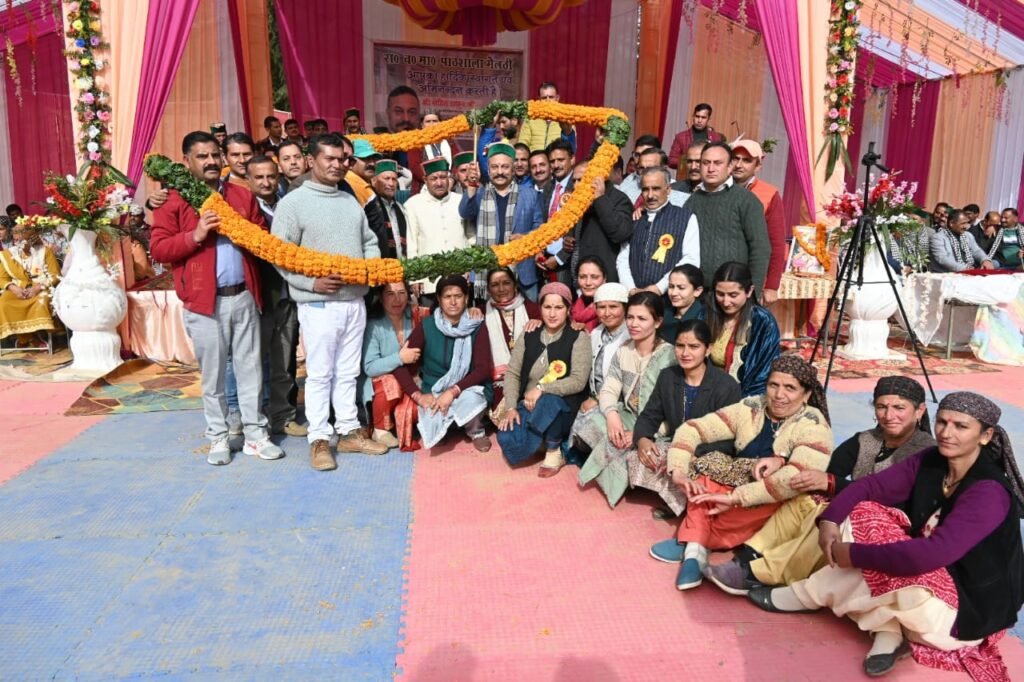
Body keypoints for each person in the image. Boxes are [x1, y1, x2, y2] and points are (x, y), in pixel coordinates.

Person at [748, 392, 1024, 679]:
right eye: (942, 422)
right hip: (928, 586)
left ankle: (807, 595)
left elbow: (930, 555)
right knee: (864, 512)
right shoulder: (933, 460)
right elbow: (869, 487)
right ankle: (888, 631)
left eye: (961, 426)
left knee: (892, 564)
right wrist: (829, 521)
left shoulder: (988, 491)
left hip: (962, 614)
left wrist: (852, 555)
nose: (946, 433)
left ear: (985, 436)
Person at [707, 376, 935, 596]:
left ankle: (761, 573)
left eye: (899, 408)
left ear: (920, 411)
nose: (889, 415)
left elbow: (902, 503)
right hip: (856, 509)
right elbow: (828, 468)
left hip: (889, 527)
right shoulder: (867, 439)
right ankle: (752, 552)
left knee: (827, 514)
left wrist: (832, 483)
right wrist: (783, 462)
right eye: (882, 407)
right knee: (805, 498)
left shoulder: (925, 452)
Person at [151, 131, 283, 465]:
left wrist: (245, 232)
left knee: (251, 369)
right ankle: (219, 437)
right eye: (202, 156)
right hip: (203, 303)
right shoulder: (172, 200)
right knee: (213, 377)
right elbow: (160, 249)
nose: (210, 162)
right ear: (186, 161)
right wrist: (195, 235)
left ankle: (255, 435)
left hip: (244, 297)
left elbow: (261, 237)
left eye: (214, 155)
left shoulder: (241, 195)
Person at [649, 355, 833, 591]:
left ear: (806, 394)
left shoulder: (814, 424)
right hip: (736, 481)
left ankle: (692, 541)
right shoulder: (751, 407)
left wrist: (736, 498)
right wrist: (678, 471)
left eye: (790, 388)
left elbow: (794, 479)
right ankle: (695, 552)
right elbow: (692, 429)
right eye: (773, 385)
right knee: (702, 481)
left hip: (770, 494)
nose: (779, 395)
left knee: (727, 509)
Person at [271, 132, 387, 472]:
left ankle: (349, 432)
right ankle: (319, 438)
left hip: (354, 301)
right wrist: (312, 283)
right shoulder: (293, 203)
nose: (337, 165)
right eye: (330, 159)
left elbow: (369, 242)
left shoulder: (349, 200)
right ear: (311, 160)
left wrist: (367, 269)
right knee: (320, 374)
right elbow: (279, 255)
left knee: (349, 372)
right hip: (318, 303)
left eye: (342, 159)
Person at [628, 319, 742, 516]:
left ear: (708, 349)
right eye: (680, 346)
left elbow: (730, 439)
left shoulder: (726, 385)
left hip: (708, 453)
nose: (685, 353)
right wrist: (643, 439)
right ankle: (678, 498)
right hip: (676, 445)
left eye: (694, 347)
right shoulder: (668, 377)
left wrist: (686, 452)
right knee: (637, 456)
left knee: (687, 465)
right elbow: (650, 414)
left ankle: (682, 505)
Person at [576, 291, 676, 506]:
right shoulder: (624, 350)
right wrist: (612, 416)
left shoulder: (669, 357)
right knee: (593, 421)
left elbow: (674, 413)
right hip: (629, 415)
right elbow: (609, 389)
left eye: (642, 318)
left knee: (643, 452)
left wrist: (642, 433)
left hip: (658, 427)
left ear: (658, 322)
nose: (633, 324)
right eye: (630, 317)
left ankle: (623, 477)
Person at [497, 282, 593, 477]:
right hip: (529, 406)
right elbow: (513, 373)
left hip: (563, 409)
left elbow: (578, 381)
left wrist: (541, 388)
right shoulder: (529, 333)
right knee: (506, 437)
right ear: (540, 308)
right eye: (547, 307)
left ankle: (553, 449)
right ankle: (545, 439)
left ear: (568, 309)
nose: (552, 313)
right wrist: (511, 407)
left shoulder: (578, 337)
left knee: (550, 402)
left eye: (559, 307)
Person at [393, 275, 494, 452]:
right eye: (447, 297)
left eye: (458, 296)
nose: (453, 302)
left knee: (472, 399)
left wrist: (453, 391)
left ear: (466, 298)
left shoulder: (476, 325)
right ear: (439, 300)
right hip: (434, 389)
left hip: (466, 387)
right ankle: (445, 430)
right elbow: (400, 365)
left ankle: (476, 431)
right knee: (433, 415)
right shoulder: (427, 326)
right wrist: (419, 396)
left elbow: (483, 369)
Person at [245, 155, 306, 438]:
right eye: (259, 177)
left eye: (271, 176)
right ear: (248, 180)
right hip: (258, 297)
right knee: (254, 363)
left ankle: (283, 417)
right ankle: (254, 420)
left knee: (284, 361)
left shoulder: (289, 205)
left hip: (289, 295)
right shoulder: (241, 209)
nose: (266, 182)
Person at [459, 142, 543, 300]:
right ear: (488, 169)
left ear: (513, 169)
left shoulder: (531, 195)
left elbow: (540, 228)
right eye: (495, 167)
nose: (499, 172)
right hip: (487, 270)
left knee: (531, 313)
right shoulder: (480, 194)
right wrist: (471, 185)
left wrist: (526, 238)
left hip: (522, 270)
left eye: (505, 167)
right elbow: (465, 213)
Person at [685, 141, 771, 294]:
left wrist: (753, 292)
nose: (711, 169)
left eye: (718, 163)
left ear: (730, 166)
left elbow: (760, 249)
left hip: (733, 293)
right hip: (698, 292)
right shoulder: (692, 201)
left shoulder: (746, 200)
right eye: (706, 163)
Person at [362, 281, 429, 450]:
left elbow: (445, 314)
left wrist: (473, 310)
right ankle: (380, 429)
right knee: (391, 381)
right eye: (390, 294)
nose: (397, 299)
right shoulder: (374, 324)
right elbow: (370, 367)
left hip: (415, 379)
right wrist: (400, 358)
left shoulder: (417, 315)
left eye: (401, 293)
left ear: (408, 294)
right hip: (383, 385)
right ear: (380, 297)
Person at [616, 168, 700, 294]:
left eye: (656, 189)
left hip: (669, 297)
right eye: (645, 189)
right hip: (634, 297)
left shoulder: (686, 217)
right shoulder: (634, 218)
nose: (650, 195)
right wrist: (630, 288)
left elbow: (691, 259)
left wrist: (660, 287)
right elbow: (623, 258)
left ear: (668, 189)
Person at [703, 261, 780, 396]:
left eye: (733, 295)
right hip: (707, 388)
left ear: (749, 291)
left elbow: (763, 373)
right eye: (720, 294)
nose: (726, 302)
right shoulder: (706, 314)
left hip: (744, 394)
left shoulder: (762, 321)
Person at [405, 158, 476, 301]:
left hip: (461, 276)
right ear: (425, 180)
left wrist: (471, 268)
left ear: (449, 178)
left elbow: (471, 238)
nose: (439, 183)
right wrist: (414, 278)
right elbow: (412, 244)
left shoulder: (461, 200)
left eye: (443, 177)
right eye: (434, 178)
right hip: (429, 280)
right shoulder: (413, 204)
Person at [571, 282, 630, 441]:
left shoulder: (631, 336)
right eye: (601, 307)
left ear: (625, 308)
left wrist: (598, 400)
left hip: (617, 402)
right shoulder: (596, 333)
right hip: (592, 397)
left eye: (613, 307)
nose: (607, 313)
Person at [558, 160, 632, 283]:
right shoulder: (578, 201)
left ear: (597, 180)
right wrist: (568, 238)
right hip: (579, 277)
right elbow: (574, 230)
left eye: (581, 180)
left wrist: (600, 199)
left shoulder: (618, 199)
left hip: (604, 279)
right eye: (574, 181)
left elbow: (620, 234)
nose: (576, 186)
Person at [731, 139, 786, 305]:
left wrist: (772, 286)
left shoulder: (769, 194)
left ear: (758, 166)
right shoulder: (716, 188)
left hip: (751, 276)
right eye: (735, 158)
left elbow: (777, 243)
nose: (739, 165)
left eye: (747, 160)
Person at [480, 267, 541, 409]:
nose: (501, 289)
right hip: (497, 381)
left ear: (515, 285)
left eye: (506, 283)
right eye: (495, 285)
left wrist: (540, 322)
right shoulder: (481, 312)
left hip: (529, 379)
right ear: (488, 290)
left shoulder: (533, 310)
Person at [0, 221, 60, 343]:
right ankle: (27, 338)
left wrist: (37, 288)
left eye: (22, 236)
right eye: (16, 236)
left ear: (32, 237)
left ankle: (37, 336)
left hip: (41, 288)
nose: (19, 240)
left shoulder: (45, 251)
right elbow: (2, 278)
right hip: (17, 289)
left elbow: (55, 275)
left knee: (41, 302)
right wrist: (13, 288)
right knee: (4, 302)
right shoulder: (7, 254)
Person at [364, 160, 408, 259]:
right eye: (386, 179)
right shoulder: (368, 208)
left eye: (394, 179)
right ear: (374, 181)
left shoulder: (400, 208)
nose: (391, 184)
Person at [668, 103, 725, 176]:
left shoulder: (716, 137)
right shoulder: (681, 137)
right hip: (686, 178)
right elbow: (671, 160)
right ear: (693, 116)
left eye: (703, 117)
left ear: (708, 119)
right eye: (697, 116)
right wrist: (689, 161)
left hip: (708, 178)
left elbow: (720, 160)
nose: (699, 120)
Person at [929, 209, 994, 273]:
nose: (965, 226)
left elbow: (976, 251)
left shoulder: (968, 235)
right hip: (946, 274)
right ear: (951, 223)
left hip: (968, 271)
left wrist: (985, 260)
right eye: (963, 223)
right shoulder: (938, 238)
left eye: (967, 223)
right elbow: (942, 259)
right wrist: (964, 268)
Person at [518, 81, 576, 153]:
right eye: (544, 98)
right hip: (535, 159)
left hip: (555, 159)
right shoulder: (530, 119)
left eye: (551, 97)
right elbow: (522, 145)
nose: (548, 100)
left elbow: (571, 149)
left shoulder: (565, 120)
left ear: (557, 98)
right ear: (539, 99)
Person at [659, 264, 704, 343]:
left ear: (697, 291)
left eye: (681, 288)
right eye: (671, 286)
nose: (674, 293)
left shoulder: (705, 319)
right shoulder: (663, 313)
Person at [616, 134, 661, 203]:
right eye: (637, 155)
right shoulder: (627, 182)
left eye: (645, 154)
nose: (640, 160)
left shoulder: (671, 187)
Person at [570, 257, 607, 332]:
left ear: (604, 279)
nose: (588, 283)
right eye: (582, 277)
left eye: (594, 277)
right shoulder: (571, 309)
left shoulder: (612, 309)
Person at [346, 139, 381, 207]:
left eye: (374, 158)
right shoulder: (351, 184)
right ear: (351, 161)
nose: (372, 163)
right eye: (365, 158)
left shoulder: (365, 183)